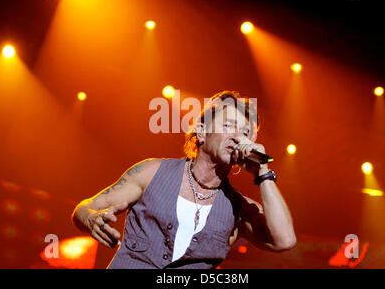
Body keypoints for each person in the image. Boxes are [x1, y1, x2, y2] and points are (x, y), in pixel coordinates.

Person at [71, 90, 296, 269]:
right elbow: (85, 208)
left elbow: (284, 241)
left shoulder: (239, 208)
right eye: (229, 125)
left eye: (246, 133)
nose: (238, 136)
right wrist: (90, 218)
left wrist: (263, 173)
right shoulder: (151, 171)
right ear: (201, 131)